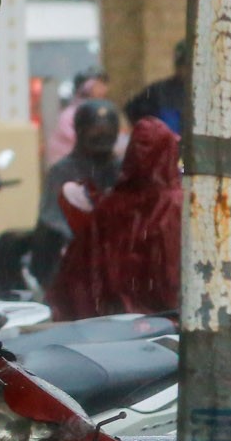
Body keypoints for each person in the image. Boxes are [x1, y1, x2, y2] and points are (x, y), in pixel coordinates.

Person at [47, 117, 183, 321]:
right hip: (166, 322)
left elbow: (78, 278)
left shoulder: (110, 205)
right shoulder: (178, 205)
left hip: (113, 325)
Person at [34, 98, 123, 288]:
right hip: (74, 257)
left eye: (107, 130)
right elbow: (53, 218)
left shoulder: (122, 168)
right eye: (95, 130)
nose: (102, 136)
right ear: (81, 130)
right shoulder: (62, 171)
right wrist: (84, 241)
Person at [45, 67, 110, 167]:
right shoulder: (70, 115)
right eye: (98, 85)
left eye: (103, 85)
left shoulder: (100, 111)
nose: (104, 89)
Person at [125, 42, 188, 137]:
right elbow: (132, 109)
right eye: (182, 65)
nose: (184, 70)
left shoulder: (205, 96)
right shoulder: (158, 91)